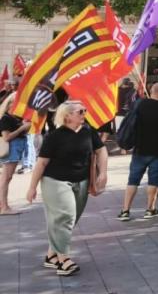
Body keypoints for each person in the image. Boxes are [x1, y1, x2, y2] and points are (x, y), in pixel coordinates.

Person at [25, 101, 108, 277]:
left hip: (82, 181)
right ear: (67, 115)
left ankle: (51, 256)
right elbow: (41, 163)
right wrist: (32, 187)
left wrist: (104, 173)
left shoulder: (88, 131)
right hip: (55, 181)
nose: (84, 113)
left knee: (69, 219)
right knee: (65, 217)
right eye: (80, 111)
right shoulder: (54, 136)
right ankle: (64, 260)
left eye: (85, 110)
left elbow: (101, 151)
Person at [118, 83, 158, 221]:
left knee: (133, 180)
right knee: (154, 180)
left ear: (151, 91)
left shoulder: (139, 104)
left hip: (139, 148)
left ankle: (125, 210)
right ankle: (150, 209)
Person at [1, 96, 29, 215]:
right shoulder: (6, 118)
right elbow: (6, 137)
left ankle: (3, 205)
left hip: (17, 147)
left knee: (7, 177)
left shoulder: (15, 117)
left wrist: (25, 127)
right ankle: (4, 207)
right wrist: (21, 128)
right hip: (12, 148)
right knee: (6, 177)